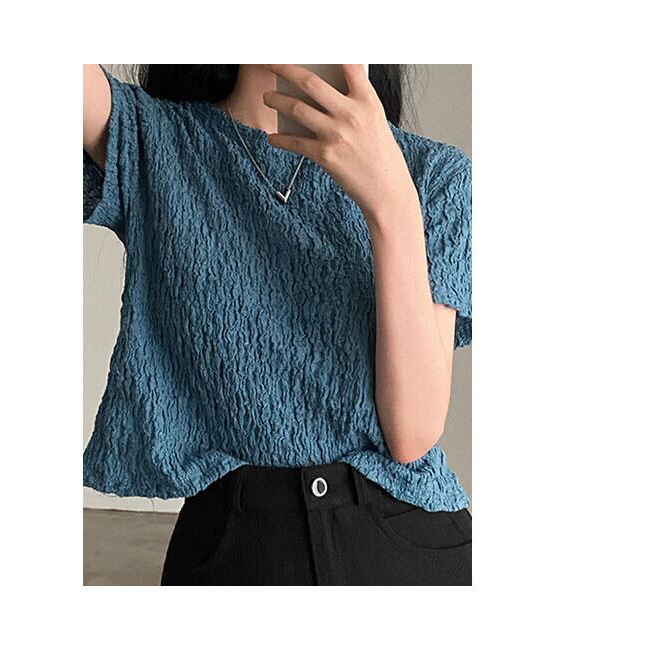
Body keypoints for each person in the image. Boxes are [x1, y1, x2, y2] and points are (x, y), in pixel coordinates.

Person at [82, 64, 472, 586]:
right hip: (233, 549)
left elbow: (412, 436)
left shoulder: (436, 175)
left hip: (410, 547)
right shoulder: (152, 139)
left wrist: (393, 204)